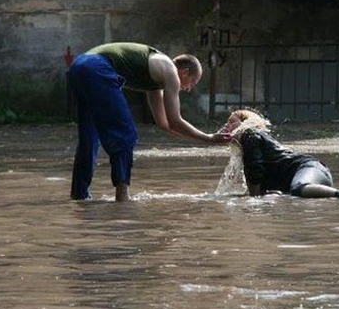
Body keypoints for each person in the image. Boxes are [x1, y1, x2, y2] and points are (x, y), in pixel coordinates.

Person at [68, 42, 231, 202]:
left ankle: (80, 195)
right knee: (126, 134)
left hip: (78, 66)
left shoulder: (156, 76)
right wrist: (209, 138)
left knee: (89, 136)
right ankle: (122, 197)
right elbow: (175, 121)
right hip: (97, 67)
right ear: (184, 72)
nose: (188, 89)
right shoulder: (171, 72)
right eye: (192, 83)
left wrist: (191, 138)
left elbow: (164, 124)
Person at [220, 109, 339, 200]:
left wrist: (253, 199)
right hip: (312, 176)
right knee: (289, 194)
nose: (227, 126)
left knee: (297, 188)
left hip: (309, 169)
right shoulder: (247, 142)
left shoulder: (249, 134)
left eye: (232, 122)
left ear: (245, 122)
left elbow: (255, 171)